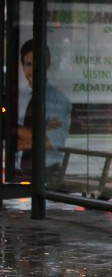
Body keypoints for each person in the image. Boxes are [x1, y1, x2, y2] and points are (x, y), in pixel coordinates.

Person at [16, 39, 72, 182]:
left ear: (47, 65)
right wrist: (43, 129)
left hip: (48, 174)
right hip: (17, 171)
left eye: (38, 64)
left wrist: (15, 130)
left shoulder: (60, 100)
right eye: (28, 64)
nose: (33, 70)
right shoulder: (15, 97)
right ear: (22, 66)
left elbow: (50, 142)